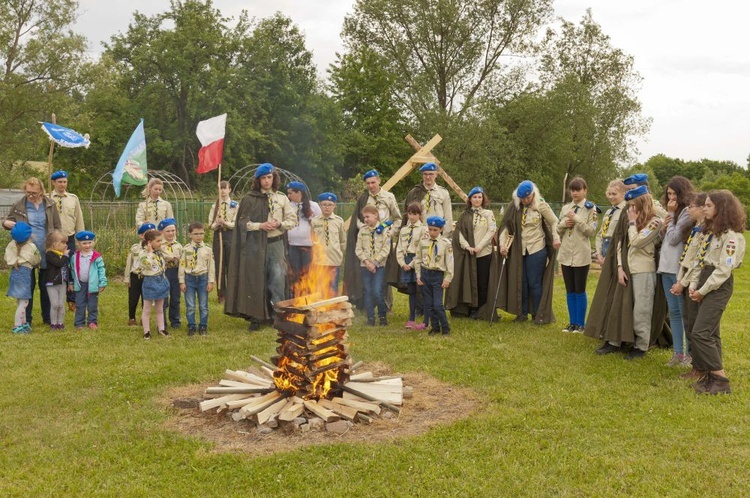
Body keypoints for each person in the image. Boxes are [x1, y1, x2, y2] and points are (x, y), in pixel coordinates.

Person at [685, 190, 745, 394]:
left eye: (709, 205)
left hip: (718, 285)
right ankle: (710, 376)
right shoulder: (710, 232)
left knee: (701, 333)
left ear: (722, 208)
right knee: (711, 332)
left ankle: (720, 379)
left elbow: (723, 270)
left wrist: (702, 290)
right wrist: (694, 285)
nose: (704, 208)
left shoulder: (731, 237)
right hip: (704, 279)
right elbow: (700, 262)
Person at [592, 186, 662, 359]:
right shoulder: (632, 218)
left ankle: (641, 345)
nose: (630, 209)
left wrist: (631, 223)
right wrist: (619, 267)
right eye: (629, 205)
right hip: (626, 269)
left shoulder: (655, 222)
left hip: (643, 271)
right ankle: (616, 341)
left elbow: (636, 241)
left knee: (641, 310)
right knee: (621, 307)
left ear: (642, 203)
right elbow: (619, 243)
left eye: (633, 205)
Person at [225, 163, 296, 331]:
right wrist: (260, 226)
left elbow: (293, 221)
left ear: (274, 178)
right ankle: (256, 317)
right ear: (258, 180)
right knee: (256, 280)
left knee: (277, 279)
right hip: (254, 246)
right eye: (263, 178)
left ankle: (278, 316)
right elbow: (242, 223)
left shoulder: (282, 198)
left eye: (269, 177)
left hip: (275, 244)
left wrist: (280, 223)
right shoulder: (250, 199)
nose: (266, 181)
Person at [497, 180, 560, 324]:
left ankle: (538, 315)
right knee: (522, 282)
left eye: (528, 197)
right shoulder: (515, 207)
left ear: (533, 194)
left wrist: (556, 238)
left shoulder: (541, 205)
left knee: (534, 283)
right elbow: (506, 226)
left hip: (537, 249)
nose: (525, 200)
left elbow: (554, 221)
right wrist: (502, 244)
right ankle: (522, 313)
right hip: (520, 250)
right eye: (522, 198)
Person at [3, 177, 62, 325]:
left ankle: (48, 318)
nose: (30, 195)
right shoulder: (19, 205)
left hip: (46, 250)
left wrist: (56, 244)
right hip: (25, 252)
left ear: (41, 191)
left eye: (34, 193)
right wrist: (5, 223)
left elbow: (57, 226)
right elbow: (7, 220)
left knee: (46, 285)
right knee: (27, 286)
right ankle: (26, 319)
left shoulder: (50, 204)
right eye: (28, 192)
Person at [344, 169, 401, 307]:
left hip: (383, 241)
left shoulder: (389, 197)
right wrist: (364, 227)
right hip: (367, 241)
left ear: (379, 181)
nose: (371, 186)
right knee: (367, 270)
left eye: (373, 182)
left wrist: (390, 233)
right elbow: (357, 219)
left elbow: (397, 218)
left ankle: (386, 304)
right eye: (368, 183)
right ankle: (367, 303)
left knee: (384, 272)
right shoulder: (364, 199)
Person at [658, 176, 695, 366]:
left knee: (683, 312)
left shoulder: (687, 212)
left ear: (683, 193)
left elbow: (674, 239)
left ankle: (689, 354)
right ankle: (677, 353)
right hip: (665, 266)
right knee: (673, 312)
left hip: (678, 268)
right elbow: (664, 237)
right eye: (669, 194)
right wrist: (664, 226)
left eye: (675, 194)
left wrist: (671, 217)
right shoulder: (672, 212)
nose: (671, 198)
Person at [446, 186, 498, 320]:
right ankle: (471, 308)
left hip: (484, 253)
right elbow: (459, 233)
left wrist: (479, 246)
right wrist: (468, 247)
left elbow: (491, 231)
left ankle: (482, 309)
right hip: (469, 254)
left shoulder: (488, 214)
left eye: (479, 197)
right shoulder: (465, 215)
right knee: (470, 282)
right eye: (474, 197)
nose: (477, 199)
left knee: (482, 282)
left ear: (483, 199)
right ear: (470, 199)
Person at [670, 193, 707, 377]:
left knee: (693, 325)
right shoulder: (696, 228)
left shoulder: (705, 231)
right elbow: (686, 259)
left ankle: (699, 365)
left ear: (701, 209)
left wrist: (682, 283)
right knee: (688, 321)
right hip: (685, 279)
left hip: (694, 282)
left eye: (691, 206)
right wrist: (679, 279)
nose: (688, 209)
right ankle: (696, 364)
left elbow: (696, 262)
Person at [556, 177, 598, 333]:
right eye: (572, 190)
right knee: (570, 289)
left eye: (578, 190)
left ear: (585, 190)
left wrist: (577, 219)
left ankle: (581, 324)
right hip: (566, 253)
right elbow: (558, 229)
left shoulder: (591, 208)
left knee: (579, 289)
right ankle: (572, 322)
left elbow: (591, 231)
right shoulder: (566, 208)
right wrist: (563, 224)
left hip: (581, 254)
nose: (574, 193)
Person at [48, 170, 85, 310]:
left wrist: (80, 239)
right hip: (53, 240)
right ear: (53, 182)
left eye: (64, 182)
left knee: (71, 267)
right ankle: (56, 297)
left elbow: (79, 219)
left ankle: (72, 298)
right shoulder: (48, 197)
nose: (62, 185)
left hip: (68, 238)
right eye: (59, 182)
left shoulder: (73, 198)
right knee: (56, 267)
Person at [415, 216, 454, 335]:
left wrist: (448, 278)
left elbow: (450, 262)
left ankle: (445, 328)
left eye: (435, 230)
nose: (432, 232)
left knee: (438, 305)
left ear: (441, 229)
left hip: (437, 276)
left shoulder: (446, 244)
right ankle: (435, 328)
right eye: (430, 229)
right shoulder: (423, 242)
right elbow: (418, 259)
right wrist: (418, 275)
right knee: (429, 304)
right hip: (426, 274)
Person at [355, 205, 392, 326]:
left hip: (379, 266)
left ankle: (382, 317)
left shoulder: (384, 230)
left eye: (367, 216)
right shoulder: (363, 230)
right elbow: (358, 249)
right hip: (365, 266)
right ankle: (370, 318)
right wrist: (367, 262)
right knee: (367, 291)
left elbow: (386, 249)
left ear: (375, 215)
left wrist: (375, 263)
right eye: (364, 217)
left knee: (377, 291)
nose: (365, 219)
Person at [179, 222, 215, 336]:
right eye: (196, 234)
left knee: (203, 305)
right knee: (190, 305)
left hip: (203, 279)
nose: (199, 236)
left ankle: (203, 326)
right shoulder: (186, 249)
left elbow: (211, 267)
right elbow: (182, 266)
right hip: (189, 279)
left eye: (201, 233)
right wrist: (181, 281)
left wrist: (210, 281)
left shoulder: (208, 250)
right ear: (190, 235)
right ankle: (191, 326)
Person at [5, 222, 41, 333]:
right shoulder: (31, 246)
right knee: (24, 303)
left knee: (20, 300)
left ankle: (24, 323)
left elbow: (7, 258)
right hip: (25, 273)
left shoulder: (11, 245)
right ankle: (17, 326)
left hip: (14, 273)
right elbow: (36, 259)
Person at [396, 202, 428, 329]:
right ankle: (411, 318)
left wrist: (412, 263)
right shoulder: (404, 230)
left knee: (423, 290)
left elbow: (421, 249)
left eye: (415, 214)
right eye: (410, 213)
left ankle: (426, 319)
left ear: (419, 215)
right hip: (406, 260)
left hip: (418, 260)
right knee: (411, 291)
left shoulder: (423, 230)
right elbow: (399, 248)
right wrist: (403, 263)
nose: (412, 217)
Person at [68, 230, 108, 330]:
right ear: (78, 244)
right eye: (84, 243)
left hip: (93, 284)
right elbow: (72, 270)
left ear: (93, 242)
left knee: (92, 305)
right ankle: (79, 323)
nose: (87, 245)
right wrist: (71, 283)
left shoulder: (96, 257)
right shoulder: (75, 257)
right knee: (80, 304)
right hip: (80, 284)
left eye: (90, 242)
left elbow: (101, 270)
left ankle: (92, 321)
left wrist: (102, 282)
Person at [286, 181, 321, 290]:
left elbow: (319, 224)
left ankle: (309, 295)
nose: (288, 196)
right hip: (292, 245)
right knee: (295, 273)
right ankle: (297, 295)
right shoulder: (288, 206)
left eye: (290, 193)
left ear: (299, 193)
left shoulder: (313, 205)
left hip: (308, 245)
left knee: (308, 272)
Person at [207, 181, 238, 303]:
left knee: (231, 265)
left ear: (230, 190)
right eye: (220, 188)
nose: (223, 191)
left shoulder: (235, 205)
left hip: (230, 235)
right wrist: (217, 224)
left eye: (225, 188)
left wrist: (226, 223)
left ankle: (232, 293)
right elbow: (210, 224)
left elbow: (236, 223)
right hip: (218, 235)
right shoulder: (215, 206)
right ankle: (221, 294)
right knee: (220, 265)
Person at [310, 192, 346, 296]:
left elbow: (342, 240)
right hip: (319, 260)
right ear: (319, 205)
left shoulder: (339, 221)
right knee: (320, 285)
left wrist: (339, 254)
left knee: (333, 285)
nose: (327, 207)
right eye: (324, 204)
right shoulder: (314, 221)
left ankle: (333, 309)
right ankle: (322, 308)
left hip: (334, 259)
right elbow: (312, 238)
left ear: (335, 206)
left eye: (330, 205)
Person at [405, 162, 453, 237]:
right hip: (419, 234)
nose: (428, 177)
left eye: (431, 174)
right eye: (425, 174)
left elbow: (448, 217)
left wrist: (445, 235)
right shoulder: (414, 192)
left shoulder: (443, 193)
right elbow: (408, 215)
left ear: (436, 175)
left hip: (438, 233)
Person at [138, 229, 170, 339]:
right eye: (158, 241)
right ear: (149, 242)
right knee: (147, 309)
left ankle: (161, 328)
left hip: (161, 279)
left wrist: (162, 249)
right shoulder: (143, 254)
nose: (160, 243)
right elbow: (147, 264)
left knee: (159, 308)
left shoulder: (159, 252)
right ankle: (146, 331)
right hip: (150, 281)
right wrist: (150, 253)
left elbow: (170, 257)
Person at [125, 223, 154, 326]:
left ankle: (144, 317)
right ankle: (132, 317)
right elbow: (130, 263)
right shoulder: (135, 248)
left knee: (145, 298)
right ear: (141, 235)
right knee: (133, 298)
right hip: (135, 275)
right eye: (147, 233)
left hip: (147, 276)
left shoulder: (153, 248)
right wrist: (127, 278)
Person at [594, 179, 627, 264]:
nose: (611, 197)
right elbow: (601, 233)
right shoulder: (609, 212)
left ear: (623, 194)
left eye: (614, 194)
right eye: (609, 194)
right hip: (604, 247)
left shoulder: (626, 211)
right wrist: (599, 253)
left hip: (616, 248)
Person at [44, 230, 71, 330]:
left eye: (66, 243)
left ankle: (60, 323)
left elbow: (68, 268)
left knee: (61, 304)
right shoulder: (49, 254)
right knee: (55, 304)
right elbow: (59, 263)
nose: (65, 245)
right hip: (52, 283)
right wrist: (65, 255)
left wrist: (70, 282)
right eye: (63, 243)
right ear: (54, 244)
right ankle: (53, 323)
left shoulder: (63, 255)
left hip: (62, 282)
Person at [158, 218, 182, 329]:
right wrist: (172, 257)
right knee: (163, 298)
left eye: (173, 230)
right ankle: (162, 322)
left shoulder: (178, 246)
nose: (171, 233)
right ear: (161, 233)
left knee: (176, 297)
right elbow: (162, 256)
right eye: (168, 231)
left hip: (176, 272)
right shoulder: (159, 246)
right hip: (164, 272)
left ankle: (175, 320)